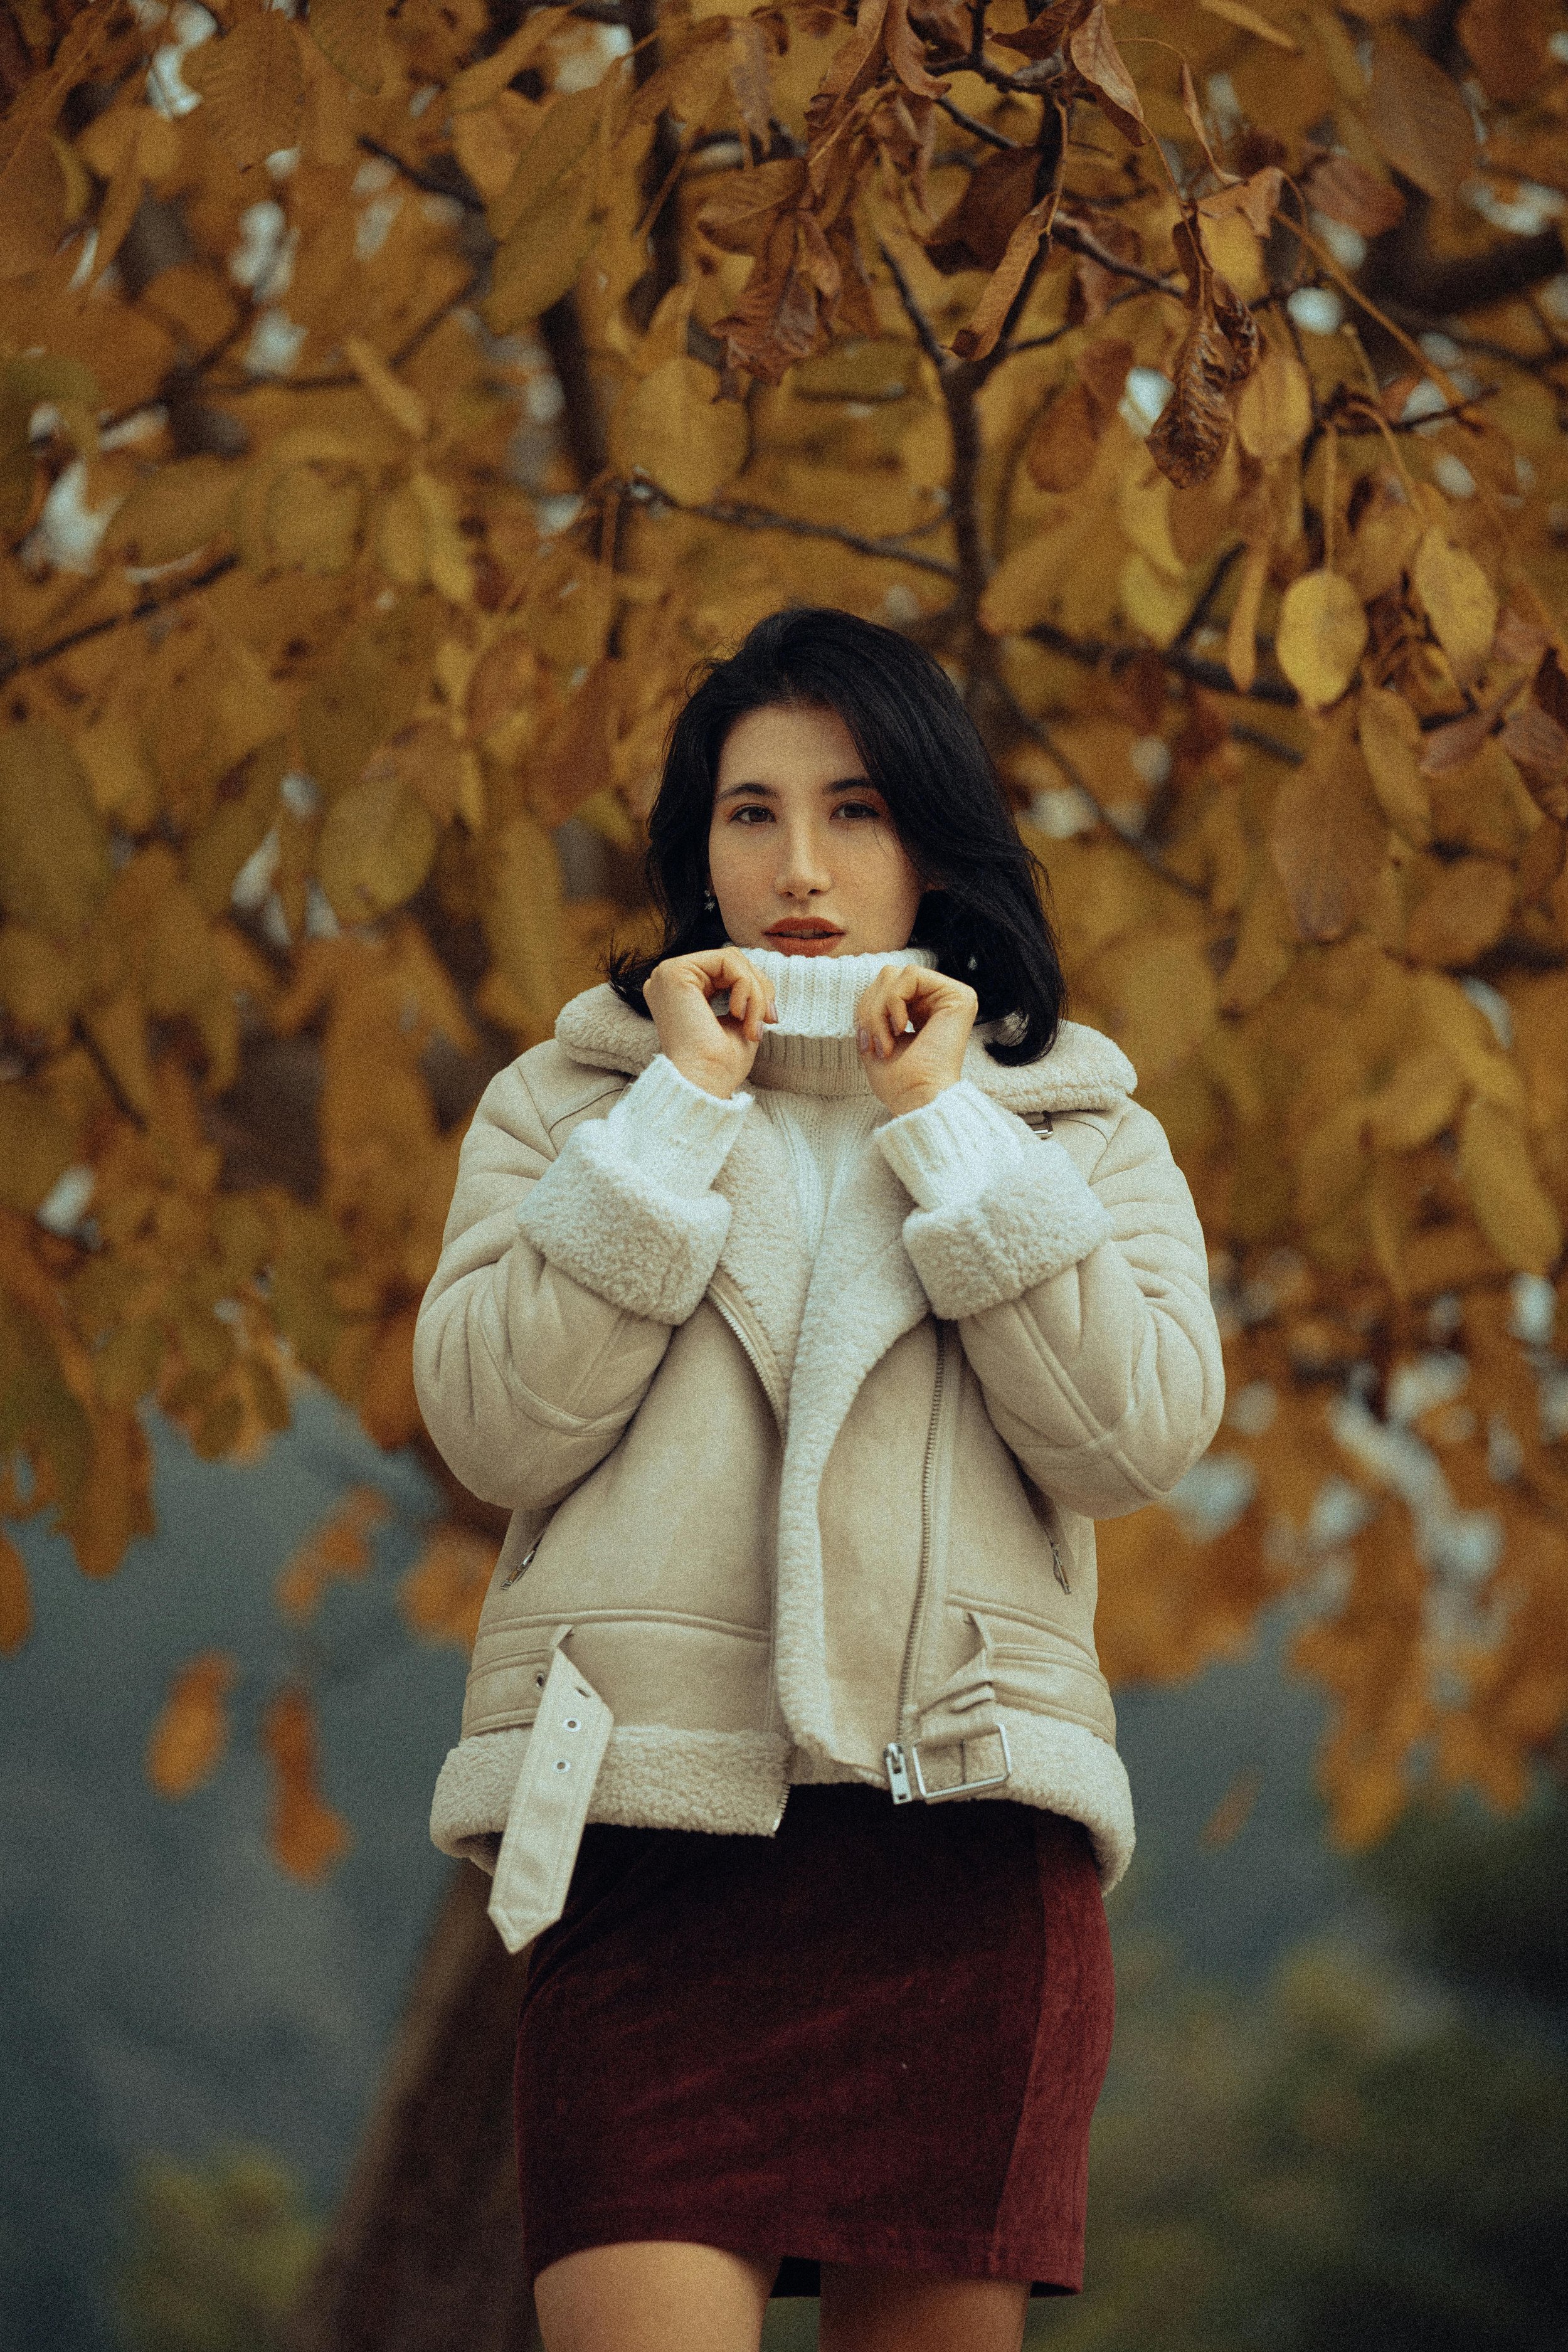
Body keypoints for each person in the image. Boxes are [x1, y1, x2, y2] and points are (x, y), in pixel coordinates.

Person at [413, 606, 1224, 2352]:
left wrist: (948, 1128)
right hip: (653, 1855)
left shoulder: (1074, 1125)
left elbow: (1132, 1436)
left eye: (854, 810)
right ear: (695, 849)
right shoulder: (570, 1106)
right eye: (751, 812)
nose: (799, 865)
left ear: (931, 837)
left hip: (964, 1867)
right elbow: (495, 1431)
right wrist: (676, 1117)